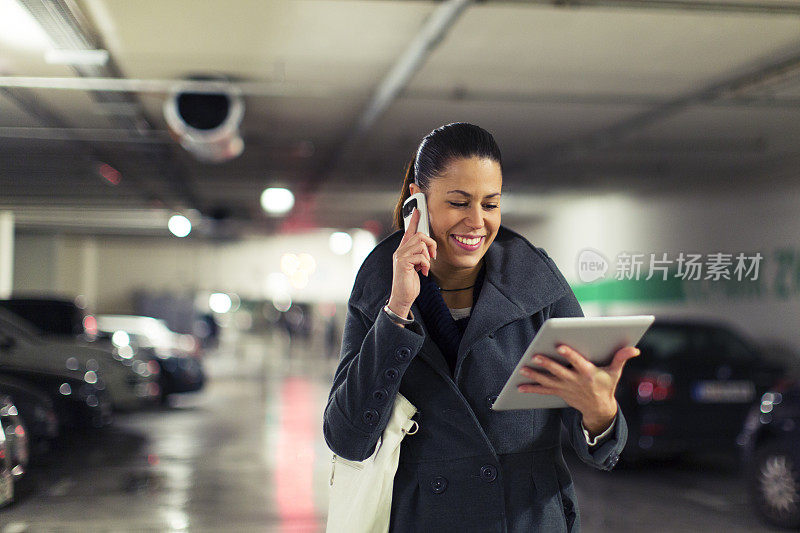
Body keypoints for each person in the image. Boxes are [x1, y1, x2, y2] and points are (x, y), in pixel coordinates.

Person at [323, 122, 640, 532]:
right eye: (458, 202)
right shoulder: (378, 286)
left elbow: (600, 449)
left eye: (490, 204)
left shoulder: (536, 280)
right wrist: (398, 308)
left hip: (529, 520)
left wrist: (601, 413)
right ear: (416, 203)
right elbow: (347, 438)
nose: (477, 222)